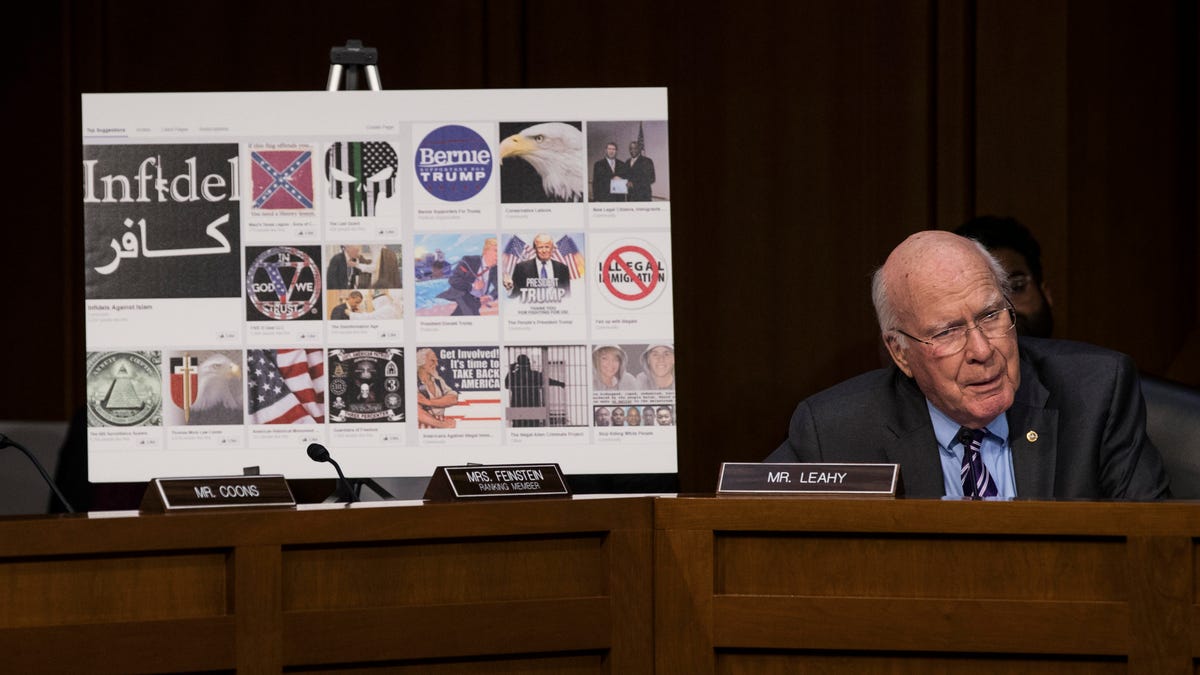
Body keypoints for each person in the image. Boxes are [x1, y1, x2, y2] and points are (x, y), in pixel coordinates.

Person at [768, 230, 1170, 500]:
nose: (981, 350)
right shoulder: (836, 429)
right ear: (900, 353)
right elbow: (747, 526)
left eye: (992, 316)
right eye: (947, 333)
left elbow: (1156, 553)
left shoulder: (1097, 393)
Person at [955, 216, 1054, 338]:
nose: (1006, 311)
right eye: (984, 296)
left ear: (1046, 293)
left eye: (1016, 287)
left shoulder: (1082, 356)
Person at [438, 238, 498, 316]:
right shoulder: (469, 260)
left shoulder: (495, 269)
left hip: (476, 301)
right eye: (495, 251)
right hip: (462, 295)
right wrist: (472, 286)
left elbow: (499, 287)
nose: (498, 255)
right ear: (486, 251)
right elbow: (453, 280)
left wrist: (490, 297)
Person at [504, 353, 566, 427]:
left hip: (518, 406)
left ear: (518, 364)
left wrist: (510, 370)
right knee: (533, 426)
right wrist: (560, 384)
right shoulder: (534, 375)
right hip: (533, 406)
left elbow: (507, 385)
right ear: (528, 363)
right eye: (528, 362)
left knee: (518, 427)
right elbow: (548, 381)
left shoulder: (514, 376)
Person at [506, 233, 571, 299]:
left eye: (547, 247)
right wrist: (510, 287)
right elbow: (514, 295)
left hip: (554, 308)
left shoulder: (563, 269)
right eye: (540, 247)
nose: (544, 251)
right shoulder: (520, 268)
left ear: (552, 248)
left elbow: (567, 296)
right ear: (535, 249)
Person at [415, 348, 458, 429]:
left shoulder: (438, 381)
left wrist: (428, 402)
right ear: (421, 363)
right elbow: (416, 412)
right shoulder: (412, 382)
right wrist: (443, 425)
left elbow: (453, 399)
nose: (436, 364)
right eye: (432, 361)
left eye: (436, 361)